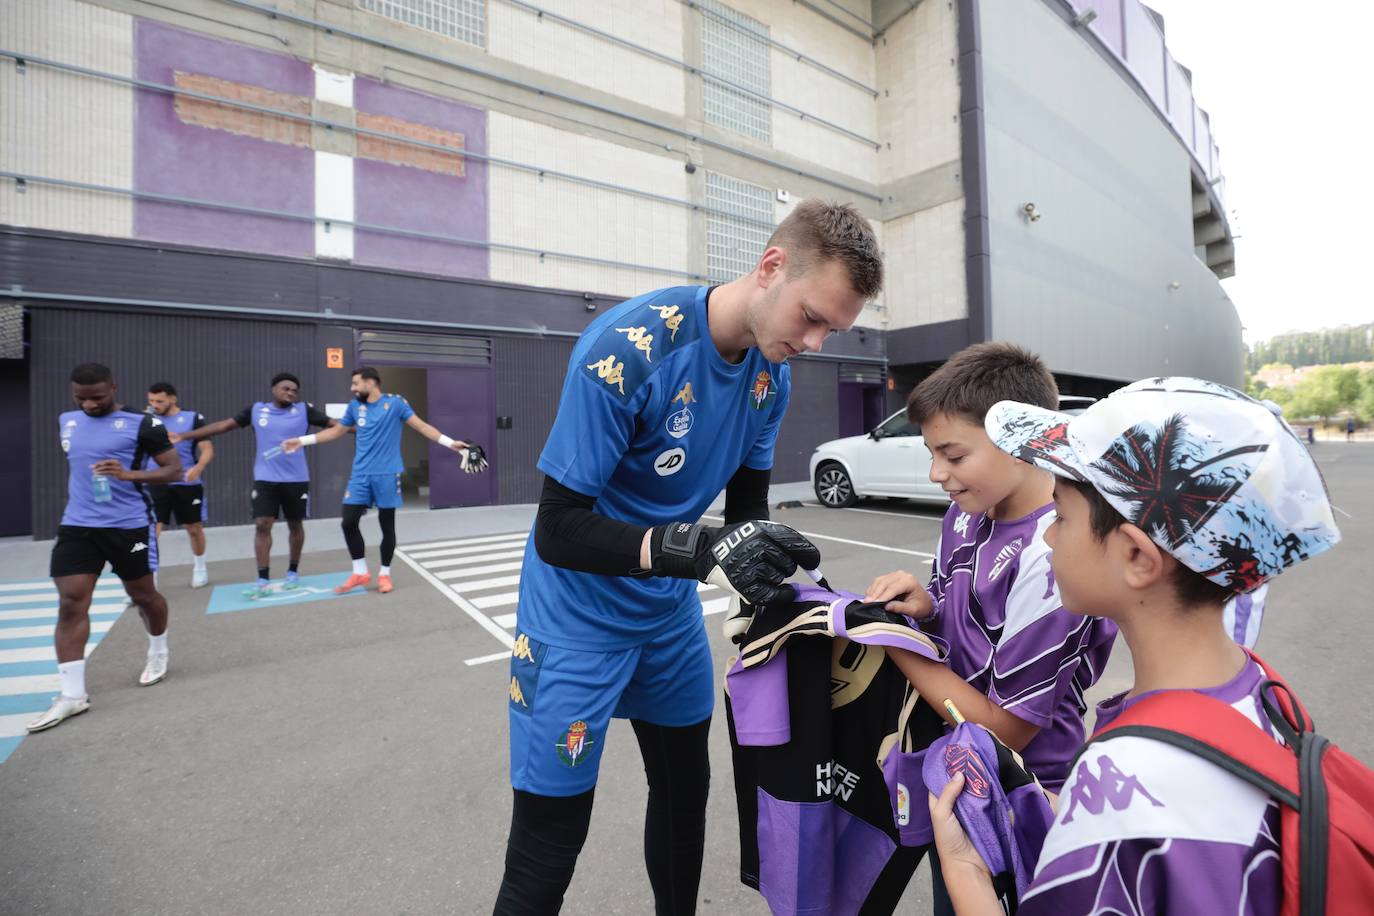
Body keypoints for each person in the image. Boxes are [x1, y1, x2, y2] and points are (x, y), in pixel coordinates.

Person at [493, 198, 884, 915]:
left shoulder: (772, 375)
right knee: (550, 842)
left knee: (684, 798)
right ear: (771, 268)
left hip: (665, 616)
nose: (819, 340)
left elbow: (743, 519)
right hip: (575, 616)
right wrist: (696, 548)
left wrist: (789, 590)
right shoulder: (626, 350)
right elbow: (559, 528)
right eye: (813, 316)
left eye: (835, 327)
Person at [929, 376, 1342, 915]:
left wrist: (965, 872)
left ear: (1138, 559)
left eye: (1061, 514)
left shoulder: (1123, 780)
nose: (1048, 535)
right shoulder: (1263, 692)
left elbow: (1131, 826)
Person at [863, 343, 1118, 912]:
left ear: (1020, 442)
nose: (937, 474)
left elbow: (1008, 730)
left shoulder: (1054, 551)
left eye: (953, 455)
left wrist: (896, 644)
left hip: (1021, 791)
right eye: (931, 454)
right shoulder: (966, 511)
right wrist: (925, 607)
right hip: (953, 762)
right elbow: (963, 613)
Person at [28, 363, 184, 733]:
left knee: (144, 595)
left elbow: (173, 470)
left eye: (97, 397)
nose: (89, 404)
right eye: (80, 397)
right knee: (71, 602)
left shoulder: (144, 424)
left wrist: (130, 474)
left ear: (113, 388)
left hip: (128, 524)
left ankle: (158, 650)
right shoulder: (67, 420)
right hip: (78, 524)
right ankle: (72, 695)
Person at [282, 366, 484, 595]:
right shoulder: (355, 407)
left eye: (356, 383)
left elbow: (421, 426)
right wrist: (302, 440)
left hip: (387, 474)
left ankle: (384, 574)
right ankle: (360, 572)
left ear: (371, 383)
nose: (352, 388)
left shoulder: (396, 403)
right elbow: (337, 431)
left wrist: (450, 443)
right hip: (360, 475)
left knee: (386, 526)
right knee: (348, 522)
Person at [171, 373, 337, 598]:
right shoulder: (257, 410)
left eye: (294, 390)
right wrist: (185, 436)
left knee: (295, 525)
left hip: (296, 479)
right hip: (265, 478)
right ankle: (262, 578)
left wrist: (363, 429)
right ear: (274, 389)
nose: (289, 393)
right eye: (285, 388)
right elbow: (223, 426)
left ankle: (292, 572)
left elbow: (336, 426)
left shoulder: (304, 411)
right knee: (262, 524)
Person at [144, 382, 214, 588]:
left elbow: (207, 449)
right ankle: (149, 577)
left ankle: (200, 567)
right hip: (155, 481)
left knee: (193, 528)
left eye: (159, 401)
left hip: (186, 483)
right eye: (151, 401)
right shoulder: (146, 420)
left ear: (172, 399)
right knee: (151, 530)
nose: (154, 405)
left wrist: (198, 468)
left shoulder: (193, 418)